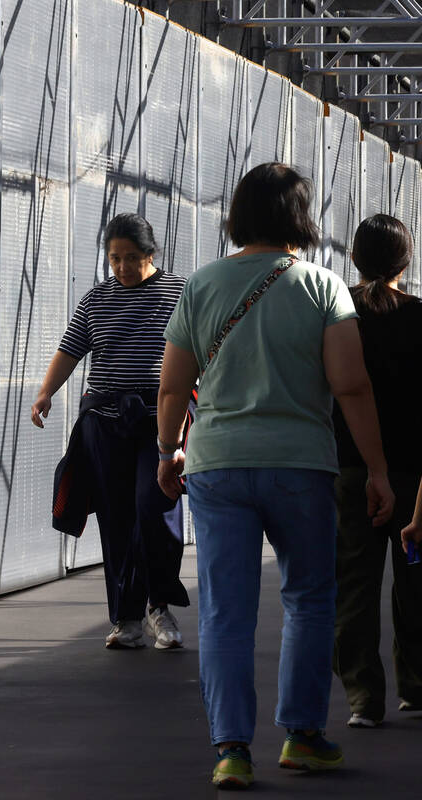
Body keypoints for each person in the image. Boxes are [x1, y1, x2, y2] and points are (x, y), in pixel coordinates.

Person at [156, 162, 394, 790]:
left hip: (217, 466)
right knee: (310, 601)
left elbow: (173, 386)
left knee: (225, 613)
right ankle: (303, 736)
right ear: (300, 216)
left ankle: (231, 749)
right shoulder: (323, 287)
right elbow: (351, 385)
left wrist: (165, 452)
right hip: (301, 466)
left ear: (237, 214)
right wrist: (376, 470)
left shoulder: (201, 285)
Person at [32, 213, 190, 650]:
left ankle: (160, 605)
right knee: (117, 517)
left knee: (155, 504)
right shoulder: (96, 300)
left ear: (151, 255)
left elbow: (202, 347)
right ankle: (126, 618)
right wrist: (46, 393)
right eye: (115, 259)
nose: (122, 268)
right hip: (104, 417)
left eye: (132, 259)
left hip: (161, 415)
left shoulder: (179, 292)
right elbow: (70, 350)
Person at [331, 214, 422, 727]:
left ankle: (364, 699)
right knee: (415, 582)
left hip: (349, 467)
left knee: (355, 584)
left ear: (354, 259)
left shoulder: (338, 312)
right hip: (414, 474)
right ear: (405, 261)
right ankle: (416, 685)